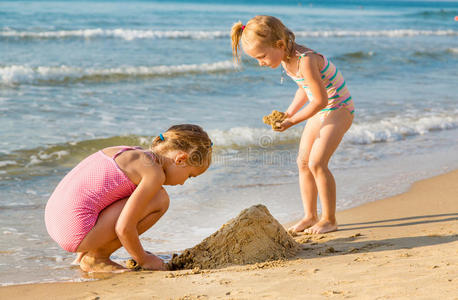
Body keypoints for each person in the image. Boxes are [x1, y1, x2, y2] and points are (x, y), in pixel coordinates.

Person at [231, 16, 354, 234]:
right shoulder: (288, 59)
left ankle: (329, 219)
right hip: (323, 108)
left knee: (317, 163)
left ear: (279, 45)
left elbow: (320, 100)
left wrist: (291, 121)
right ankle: (310, 216)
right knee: (303, 162)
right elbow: (303, 88)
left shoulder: (306, 59)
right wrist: (289, 112)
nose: (261, 63)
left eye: (262, 57)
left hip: (339, 107)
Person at [45, 124, 212, 272]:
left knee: (110, 197)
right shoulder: (154, 174)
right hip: (75, 232)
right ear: (181, 159)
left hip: (55, 220)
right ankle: (97, 259)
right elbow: (124, 228)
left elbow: (92, 195)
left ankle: (83, 255)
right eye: (190, 175)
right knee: (160, 199)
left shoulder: (131, 152)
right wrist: (143, 259)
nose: (183, 183)